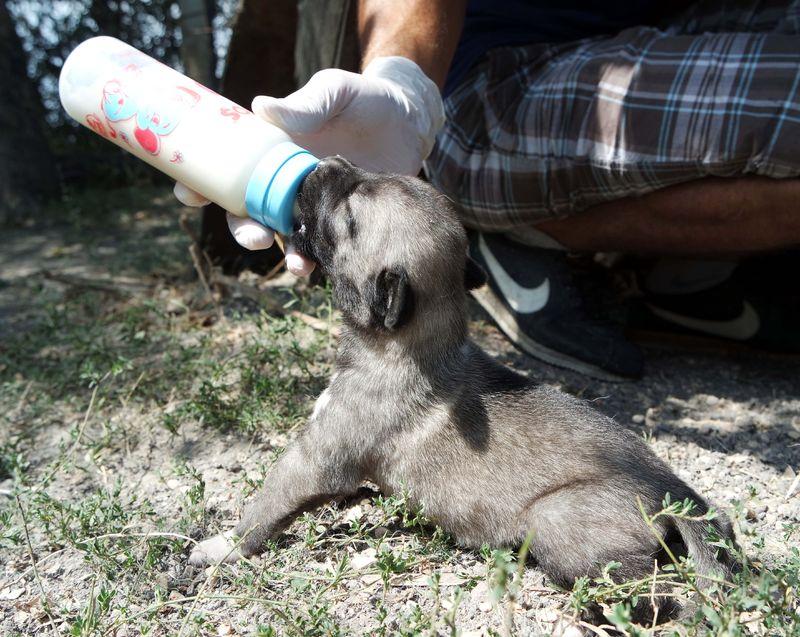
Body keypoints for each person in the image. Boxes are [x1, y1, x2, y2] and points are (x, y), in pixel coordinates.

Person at [176, 0, 800, 379]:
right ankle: (517, 231)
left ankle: (676, 267)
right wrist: (404, 82)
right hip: (490, 87)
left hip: (666, 30)